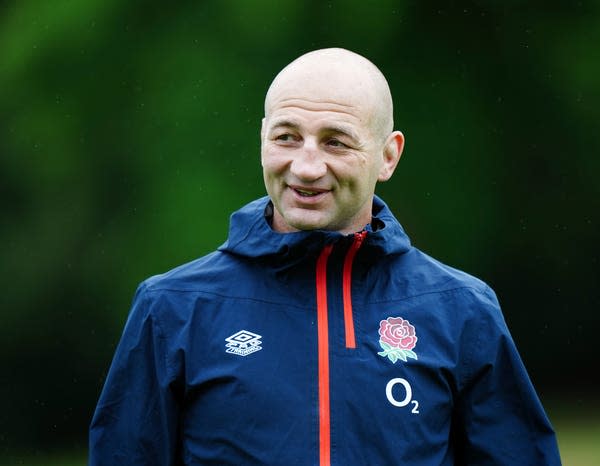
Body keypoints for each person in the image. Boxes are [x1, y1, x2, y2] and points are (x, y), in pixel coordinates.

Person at [89, 48, 561, 465]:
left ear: (388, 156)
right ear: (262, 138)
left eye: (335, 141)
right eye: (287, 137)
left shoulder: (462, 310)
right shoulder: (171, 307)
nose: (307, 167)